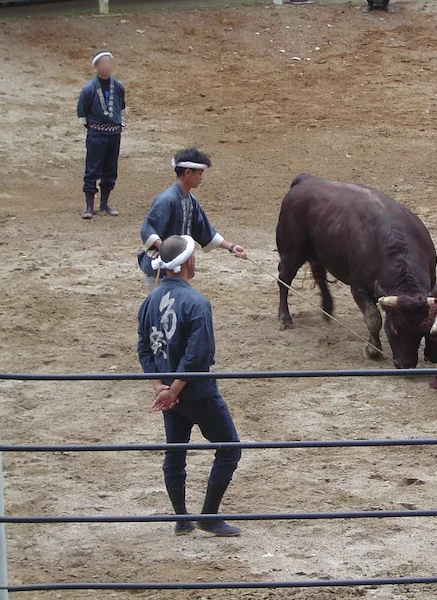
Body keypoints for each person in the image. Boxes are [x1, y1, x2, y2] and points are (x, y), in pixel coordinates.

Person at [136, 235, 243, 537]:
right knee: (229, 448)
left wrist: (161, 387)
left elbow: (144, 349)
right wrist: (175, 388)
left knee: (175, 453)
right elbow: (197, 356)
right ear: (187, 263)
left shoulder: (149, 302)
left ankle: (182, 518)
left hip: (169, 395)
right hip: (197, 391)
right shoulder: (197, 303)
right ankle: (208, 516)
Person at [138, 148, 248, 292]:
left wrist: (231, 247)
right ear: (188, 172)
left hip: (179, 265)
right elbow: (148, 230)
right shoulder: (166, 200)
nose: (201, 177)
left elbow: (203, 230)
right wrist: (169, 250)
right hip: (161, 267)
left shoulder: (190, 200)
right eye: (200, 173)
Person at [76, 51, 126, 220]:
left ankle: (104, 204)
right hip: (97, 134)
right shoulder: (89, 88)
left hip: (114, 134)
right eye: (104, 63)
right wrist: (92, 127)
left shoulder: (118, 86)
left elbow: (121, 106)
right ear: (96, 67)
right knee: (92, 168)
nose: (108, 66)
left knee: (110, 168)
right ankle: (89, 206)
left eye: (110, 63)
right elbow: (82, 109)